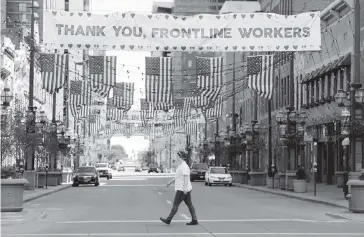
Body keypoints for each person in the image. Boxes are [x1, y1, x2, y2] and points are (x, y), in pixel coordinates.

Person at [160, 151, 198, 226]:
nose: (176, 157)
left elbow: (186, 177)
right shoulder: (180, 166)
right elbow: (177, 177)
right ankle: (194, 219)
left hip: (182, 189)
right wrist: (170, 182)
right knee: (190, 204)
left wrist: (184, 188)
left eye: (177, 156)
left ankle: (168, 219)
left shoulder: (184, 166)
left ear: (181, 157)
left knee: (175, 204)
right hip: (185, 189)